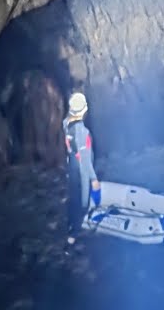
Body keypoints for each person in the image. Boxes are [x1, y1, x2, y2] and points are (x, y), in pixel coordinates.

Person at [63, 91, 101, 241]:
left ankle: (70, 228)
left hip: (71, 166)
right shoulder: (82, 131)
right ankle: (74, 234)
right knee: (82, 202)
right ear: (84, 110)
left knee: (73, 197)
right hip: (82, 170)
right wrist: (94, 178)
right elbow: (85, 159)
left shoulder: (66, 124)